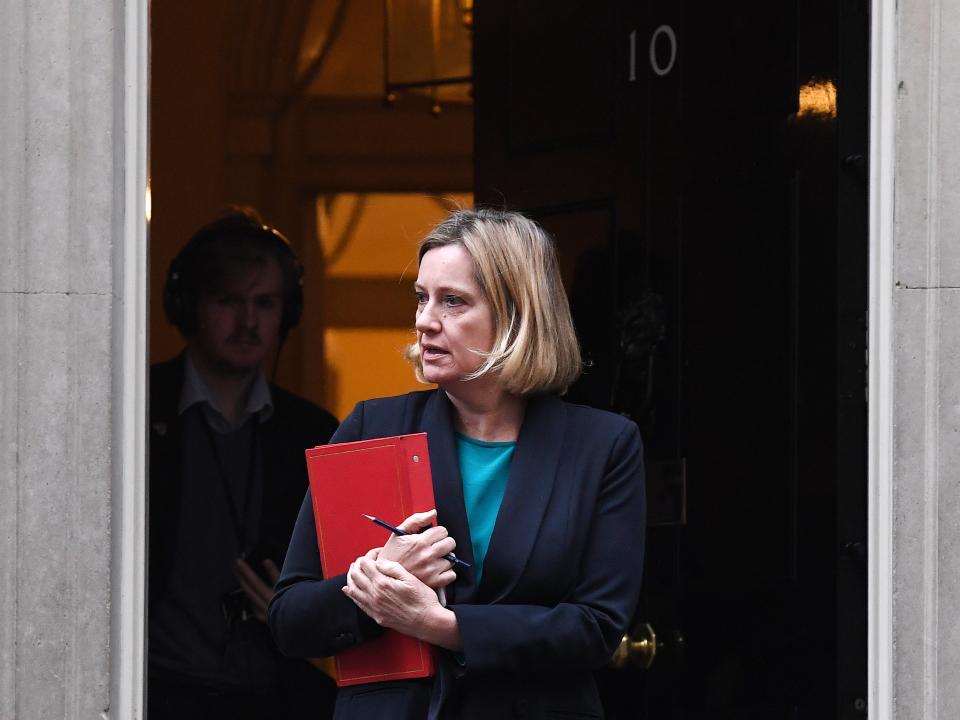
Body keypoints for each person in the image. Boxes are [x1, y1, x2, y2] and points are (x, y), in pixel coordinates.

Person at [269, 208, 646, 720]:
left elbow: (596, 627)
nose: (424, 320)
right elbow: (290, 619)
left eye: (452, 301)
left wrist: (445, 627)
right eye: (422, 298)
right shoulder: (371, 427)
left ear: (517, 315)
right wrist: (382, 578)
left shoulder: (602, 446)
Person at [149, 208, 339, 720]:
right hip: (155, 692)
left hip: (272, 695)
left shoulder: (315, 432)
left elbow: (350, 583)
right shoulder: (134, 410)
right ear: (187, 306)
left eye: (266, 303)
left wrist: (302, 608)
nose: (249, 321)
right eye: (229, 301)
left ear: (288, 312)